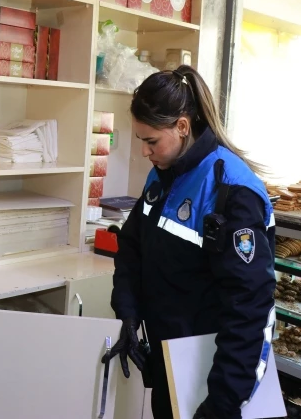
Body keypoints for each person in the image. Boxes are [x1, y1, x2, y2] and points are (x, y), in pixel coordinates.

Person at [104, 66, 275, 419]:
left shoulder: (233, 192)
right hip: (171, 367)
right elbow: (133, 247)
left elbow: (250, 310)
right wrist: (129, 313)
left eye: (151, 141)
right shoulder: (163, 175)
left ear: (182, 126)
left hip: (213, 384)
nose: (144, 152)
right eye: (141, 140)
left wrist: (222, 403)